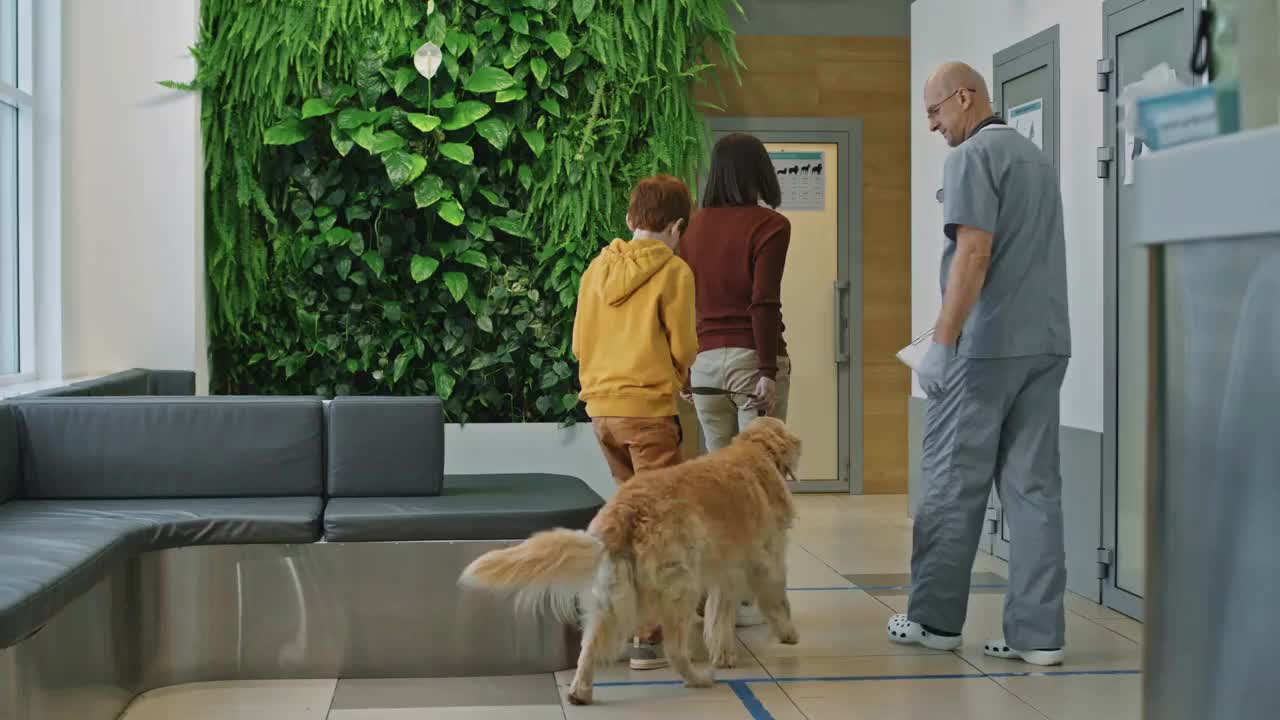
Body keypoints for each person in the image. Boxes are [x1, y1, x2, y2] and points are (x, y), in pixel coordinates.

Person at [885, 62, 1072, 666]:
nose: (934, 125)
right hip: (1044, 342)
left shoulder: (971, 158)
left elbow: (974, 251)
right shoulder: (1036, 159)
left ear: (965, 98)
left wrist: (941, 341)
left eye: (936, 111)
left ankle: (935, 621)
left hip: (984, 349)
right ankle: (1037, 636)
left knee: (949, 482)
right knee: (1034, 489)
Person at [572, 174, 698, 671]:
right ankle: (648, 636)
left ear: (629, 220)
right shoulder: (675, 272)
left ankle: (622, 621)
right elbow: (684, 346)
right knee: (658, 527)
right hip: (647, 414)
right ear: (677, 226)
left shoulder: (595, 270)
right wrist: (678, 373)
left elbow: (580, 344)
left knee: (629, 522)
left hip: (602, 413)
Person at [679, 133, 791, 628]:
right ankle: (750, 595)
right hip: (751, 361)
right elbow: (763, 302)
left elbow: (684, 303)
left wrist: (684, 365)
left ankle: (715, 593)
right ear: (760, 172)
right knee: (759, 487)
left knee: (716, 486)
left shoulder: (692, 230)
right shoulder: (771, 226)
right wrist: (767, 371)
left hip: (704, 363)